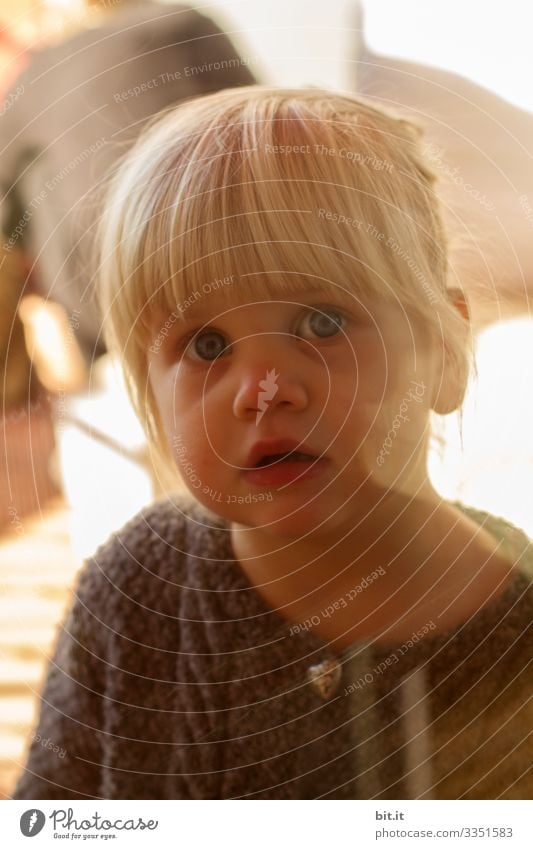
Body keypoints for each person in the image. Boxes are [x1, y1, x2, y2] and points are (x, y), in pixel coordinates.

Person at [12, 86, 532, 800]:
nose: (263, 388)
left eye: (322, 322)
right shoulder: (139, 589)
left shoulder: (514, 629)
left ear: (443, 349)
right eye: (206, 344)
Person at [0, 0, 256, 363]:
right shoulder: (183, 19)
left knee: (37, 178)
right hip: (244, 251)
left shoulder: (35, 76)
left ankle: (95, 369)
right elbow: (267, 122)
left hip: (113, 299)